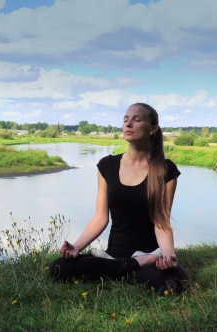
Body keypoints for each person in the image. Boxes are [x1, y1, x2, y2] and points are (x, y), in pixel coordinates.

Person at [49, 103, 189, 292]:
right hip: (114, 254)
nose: (128, 124)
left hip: (151, 255)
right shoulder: (107, 165)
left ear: (152, 129)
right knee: (58, 268)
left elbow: (161, 222)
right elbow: (100, 218)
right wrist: (76, 247)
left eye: (137, 120)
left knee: (177, 282)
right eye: (125, 119)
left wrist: (168, 255)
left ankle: (129, 266)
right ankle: (133, 265)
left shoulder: (165, 170)